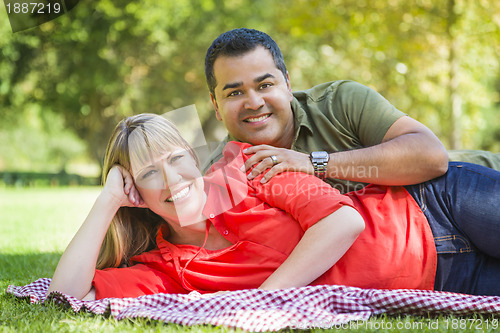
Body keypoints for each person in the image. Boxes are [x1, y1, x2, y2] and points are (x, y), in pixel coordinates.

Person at [47, 113, 500, 301]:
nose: (172, 180)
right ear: (135, 194)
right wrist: (107, 199)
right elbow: (67, 294)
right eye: (148, 174)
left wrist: (265, 303)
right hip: (442, 278)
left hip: (439, 204)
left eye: (175, 160)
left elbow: (343, 222)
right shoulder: (168, 269)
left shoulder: (244, 166)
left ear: (192, 154)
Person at [202, 28, 500, 193]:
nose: (254, 102)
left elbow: (431, 157)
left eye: (265, 85)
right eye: (235, 92)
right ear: (216, 106)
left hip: (476, 183)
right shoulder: (219, 176)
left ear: (288, 84)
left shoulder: (340, 101)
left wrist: (313, 163)